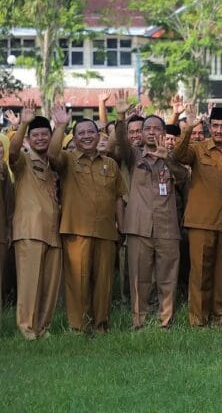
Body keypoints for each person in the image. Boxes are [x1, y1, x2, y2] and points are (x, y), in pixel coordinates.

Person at [48, 103, 126, 333]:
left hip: (105, 231)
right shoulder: (69, 160)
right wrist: (60, 126)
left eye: (91, 132)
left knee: (103, 283)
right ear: (75, 137)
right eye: (81, 133)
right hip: (76, 231)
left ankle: (101, 326)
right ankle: (79, 328)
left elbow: (119, 196)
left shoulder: (110, 164)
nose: (87, 136)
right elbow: (52, 154)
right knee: (78, 283)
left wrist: (121, 225)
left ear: (98, 134)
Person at [115, 96, 185, 330]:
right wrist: (122, 117)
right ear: (141, 133)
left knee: (167, 277)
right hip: (139, 227)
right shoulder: (133, 155)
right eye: (147, 128)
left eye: (157, 128)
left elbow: (184, 178)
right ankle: (139, 321)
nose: (152, 132)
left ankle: (165, 322)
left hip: (167, 227)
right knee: (139, 278)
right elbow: (122, 144)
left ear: (164, 132)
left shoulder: (172, 156)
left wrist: (169, 161)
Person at [175, 105, 222, 327]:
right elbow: (178, 155)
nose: (219, 130)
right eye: (214, 125)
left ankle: (219, 318)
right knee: (200, 273)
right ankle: (198, 320)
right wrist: (187, 128)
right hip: (201, 222)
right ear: (209, 126)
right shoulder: (198, 148)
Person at [9, 101, 60, 339]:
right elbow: (12, 151)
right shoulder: (23, 160)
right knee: (29, 285)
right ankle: (27, 329)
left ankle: (43, 328)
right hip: (29, 230)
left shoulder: (53, 163)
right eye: (35, 135)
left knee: (49, 286)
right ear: (29, 139)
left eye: (45, 135)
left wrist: (61, 125)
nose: (40, 139)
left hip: (53, 231)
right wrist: (24, 125)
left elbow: (58, 150)